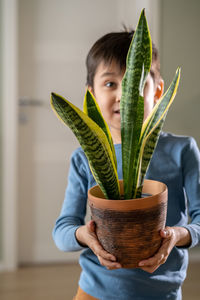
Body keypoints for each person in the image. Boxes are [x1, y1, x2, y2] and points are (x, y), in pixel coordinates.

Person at [52, 30, 200, 300]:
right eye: (110, 84)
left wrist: (178, 234)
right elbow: (62, 230)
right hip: (95, 290)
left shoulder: (183, 150)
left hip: (161, 293)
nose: (123, 94)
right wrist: (85, 235)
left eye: (136, 83)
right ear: (91, 95)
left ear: (157, 91)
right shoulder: (84, 157)